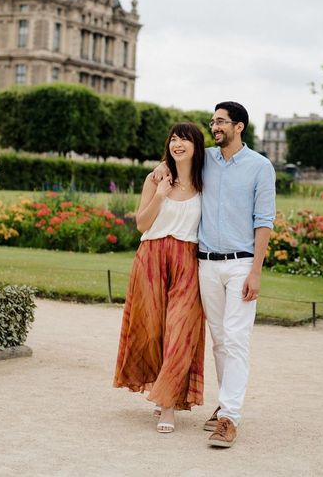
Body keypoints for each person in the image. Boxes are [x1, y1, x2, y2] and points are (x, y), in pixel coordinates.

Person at [152, 101, 276, 448]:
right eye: (213, 121)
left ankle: (229, 419)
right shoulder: (204, 159)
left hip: (241, 264)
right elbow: (176, 159)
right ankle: (225, 404)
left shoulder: (260, 167)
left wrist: (255, 271)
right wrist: (164, 163)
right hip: (205, 263)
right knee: (220, 340)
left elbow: (264, 221)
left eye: (221, 122)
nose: (215, 126)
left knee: (235, 339)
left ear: (239, 127)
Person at [113, 122, 206, 433]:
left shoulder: (206, 183)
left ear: (197, 146)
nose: (178, 144)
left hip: (187, 263)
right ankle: (161, 390)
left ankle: (167, 407)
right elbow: (142, 223)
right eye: (174, 139)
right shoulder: (156, 180)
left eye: (185, 139)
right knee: (152, 333)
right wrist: (161, 195)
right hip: (151, 260)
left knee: (180, 333)